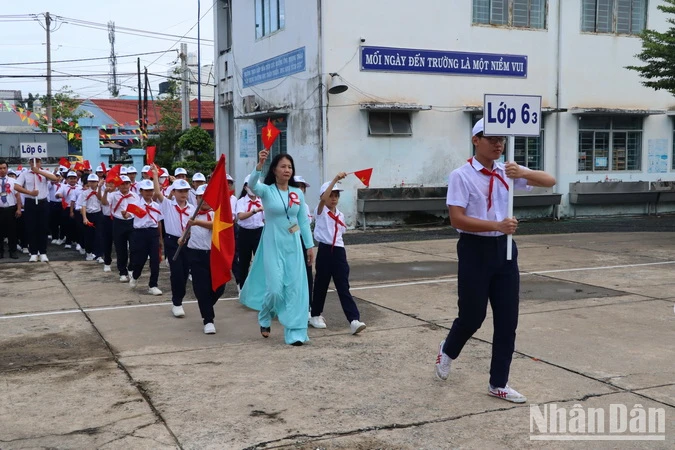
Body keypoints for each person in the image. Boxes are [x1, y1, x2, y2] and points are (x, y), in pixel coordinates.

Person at [435, 118, 556, 403]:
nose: (498, 144)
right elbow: (457, 218)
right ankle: (448, 349)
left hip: (505, 249)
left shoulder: (507, 172)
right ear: (476, 140)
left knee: (507, 320)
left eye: (501, 139)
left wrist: (522, 170)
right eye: (490, 138)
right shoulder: (461, 175)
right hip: (475, 249)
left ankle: (498, 382)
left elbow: (549, 181)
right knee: (472, 316)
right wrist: (495, 226)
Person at [239, 150, 314, 346]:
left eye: (290, 167)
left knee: (295, 289)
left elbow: (303, 221)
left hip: (294, 246)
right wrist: (259, 165)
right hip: (273, 244)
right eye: (283, 166)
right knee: (274, 290)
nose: (287, 170)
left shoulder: (297, 193)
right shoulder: (267, 190)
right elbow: (253, 185)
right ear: (274, 169)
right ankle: (265, 315)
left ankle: (296, 333)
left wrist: (309, 245)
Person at [309, 175, 367, 335]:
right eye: (331, 195)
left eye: (336, 195)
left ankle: (354, 320)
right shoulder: (320, 211)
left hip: (339, 251)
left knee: (343, 286)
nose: (333, 199)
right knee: (321, 284)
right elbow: (322, 200)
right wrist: (334, 180)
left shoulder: (340, 215)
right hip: (325, 250)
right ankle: (315, 315)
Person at [183, 184, 226, 334]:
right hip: (196, 254)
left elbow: (216, 226)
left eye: (206, 197)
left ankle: (206, 305)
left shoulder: (216, 213)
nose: (203, 200)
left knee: (219, 287)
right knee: (201, 289)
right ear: (196, 198)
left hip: (214, 255)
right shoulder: (191, 212)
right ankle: (208, 319)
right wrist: (182, 237)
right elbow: (187, 229)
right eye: (200, 197)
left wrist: (197, 222)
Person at [152, 167, 194, 315]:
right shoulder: (168, 205)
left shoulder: (192, 209)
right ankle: (177, 302)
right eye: (180, 191)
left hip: (187, 243)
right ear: (174, 192)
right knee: (176, 273)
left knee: (184, 273)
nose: (183, 194)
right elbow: (157, 193)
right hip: (172, 241)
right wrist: (156, 176)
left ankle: (179, 297)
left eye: (185, 191)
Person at [13, 157, 60, 262]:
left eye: (38, 161)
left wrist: (39, 171)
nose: (36, 163)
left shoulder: (43, 173)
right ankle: (33, 252)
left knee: (43, 228)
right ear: (30, 162)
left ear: (40, 162)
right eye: (33, 161)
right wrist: (29, 192)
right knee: (31, 227)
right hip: (30, 202)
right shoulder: (25, 174)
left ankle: (43, 252)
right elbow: (16, 186)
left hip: (43, 202)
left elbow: (55, 178)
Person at [122, 179, 163, 296]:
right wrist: (125, 214)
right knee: (140, 260)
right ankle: (135, 276)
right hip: (140, 234)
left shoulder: (156, 206)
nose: (149, 193)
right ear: (141, 191)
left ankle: (153, 285)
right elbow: (128, 215)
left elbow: (159, 222)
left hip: (153, 233)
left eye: (151, 190)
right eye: (146, 191)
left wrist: (160, 239)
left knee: (155, 261)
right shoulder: (136, 204)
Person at [101, 175, 137, 281]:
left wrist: (129, 214)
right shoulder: (113, 195)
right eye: (122, 183)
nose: (125, 186)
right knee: (120, 249)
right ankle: (122, 272)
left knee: (134, 247)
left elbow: (137, 209)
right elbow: (104, 203)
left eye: (127, 183)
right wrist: (106, 192)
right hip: (118, 223)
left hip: (131, 222)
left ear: (130, 184)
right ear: (118, 185)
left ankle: (131, 268)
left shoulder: (135, 196)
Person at [234, 175, 264, 289]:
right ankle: (243, 288)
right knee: (244, 262)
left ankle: (260, 288)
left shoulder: (262, 200)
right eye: (250, 186)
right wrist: (255, 210)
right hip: (244, 233)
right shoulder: (241, 201)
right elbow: (240, 216)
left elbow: (266, 219)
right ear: (245, 187)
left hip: (259, 232)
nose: (253, 188)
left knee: (260, 262)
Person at [294, 175, 314, 313]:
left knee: (307, 274)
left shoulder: (305, 206)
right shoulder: (287, 204)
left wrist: (309, 245)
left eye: (303, 187)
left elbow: (307, 223)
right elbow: (288, 225)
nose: (301, 189)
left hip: (304, 242)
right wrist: (297, 228)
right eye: (298, 186)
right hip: (291, 242)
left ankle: (308, 305)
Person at [77, 174, 105, 262]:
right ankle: (89, 252)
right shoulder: (84, 193)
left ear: (97, 182)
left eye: (94, 182)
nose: (92, 183)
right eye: (90, 182)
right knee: (88, 235)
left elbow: (101, 199)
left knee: (99, 235)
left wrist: (99, 188)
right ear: (88, 182)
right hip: (89, 214)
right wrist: (85, 218)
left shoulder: (101, 191)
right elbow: (83, 206)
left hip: (98, 214)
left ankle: (99, 255)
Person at [0, 160, 21, 259]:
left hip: (11, 209)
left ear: (7, 169)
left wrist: (19, 209)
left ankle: (13, 251)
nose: (2, 170)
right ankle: (0, 252)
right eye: (0, 168)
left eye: (4, 168)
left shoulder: (13, 181)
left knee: (12, 232)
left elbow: (18, 196)